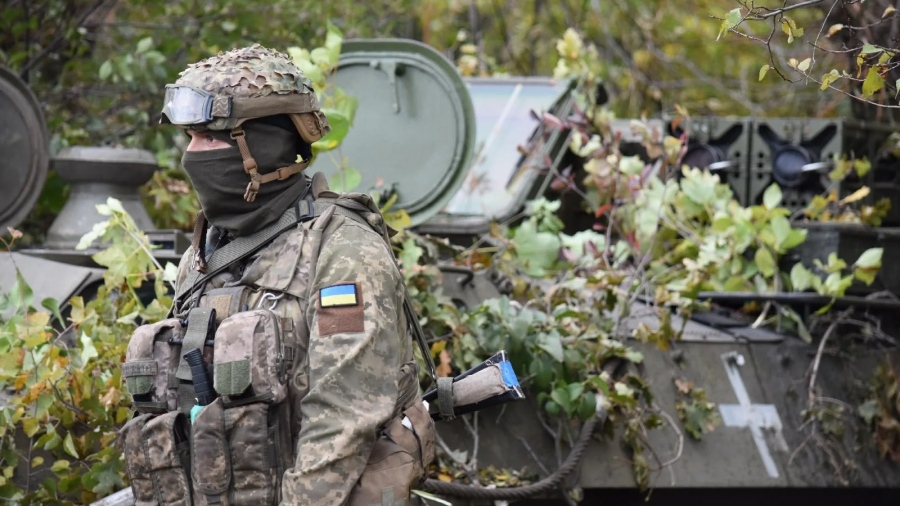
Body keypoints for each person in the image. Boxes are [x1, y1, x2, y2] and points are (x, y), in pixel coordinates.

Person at [118, 44, 435, 506]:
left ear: (264, 146)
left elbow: (343, 419)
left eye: (210, 138)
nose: (192, 154)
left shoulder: (342, 250)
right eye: (189, 137)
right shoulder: (207, 253)